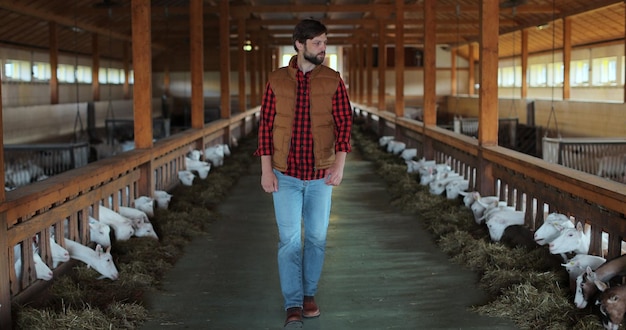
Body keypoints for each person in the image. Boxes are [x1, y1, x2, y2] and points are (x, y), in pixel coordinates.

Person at [254, 18, 353, 329]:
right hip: (284, 175)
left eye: (324, 43)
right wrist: (266, 171)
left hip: (321, 175)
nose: (323, 49)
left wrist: (339, 165)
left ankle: (309, 294)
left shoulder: (333, 80)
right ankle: (293, 303)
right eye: (317, 43)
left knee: (317, 238)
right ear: (299, 45)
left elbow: (345, 125)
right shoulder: (276, 80)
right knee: (289, 241)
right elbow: (265, 128)